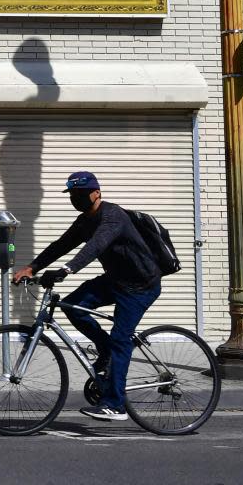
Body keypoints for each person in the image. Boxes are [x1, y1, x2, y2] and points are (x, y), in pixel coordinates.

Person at [11, 171, 161, 422]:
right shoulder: (84, 221)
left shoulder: (113, 216)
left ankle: (115, 404)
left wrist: (67, 270)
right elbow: (61, 245)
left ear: (97, 193)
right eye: (72, 195)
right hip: (115, 281)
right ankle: (105, 350)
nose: (76, 199)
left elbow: (96, 246)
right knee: (73, 305)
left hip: (140, 286)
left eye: (81, 194)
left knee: (120, 339)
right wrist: (32, 267)